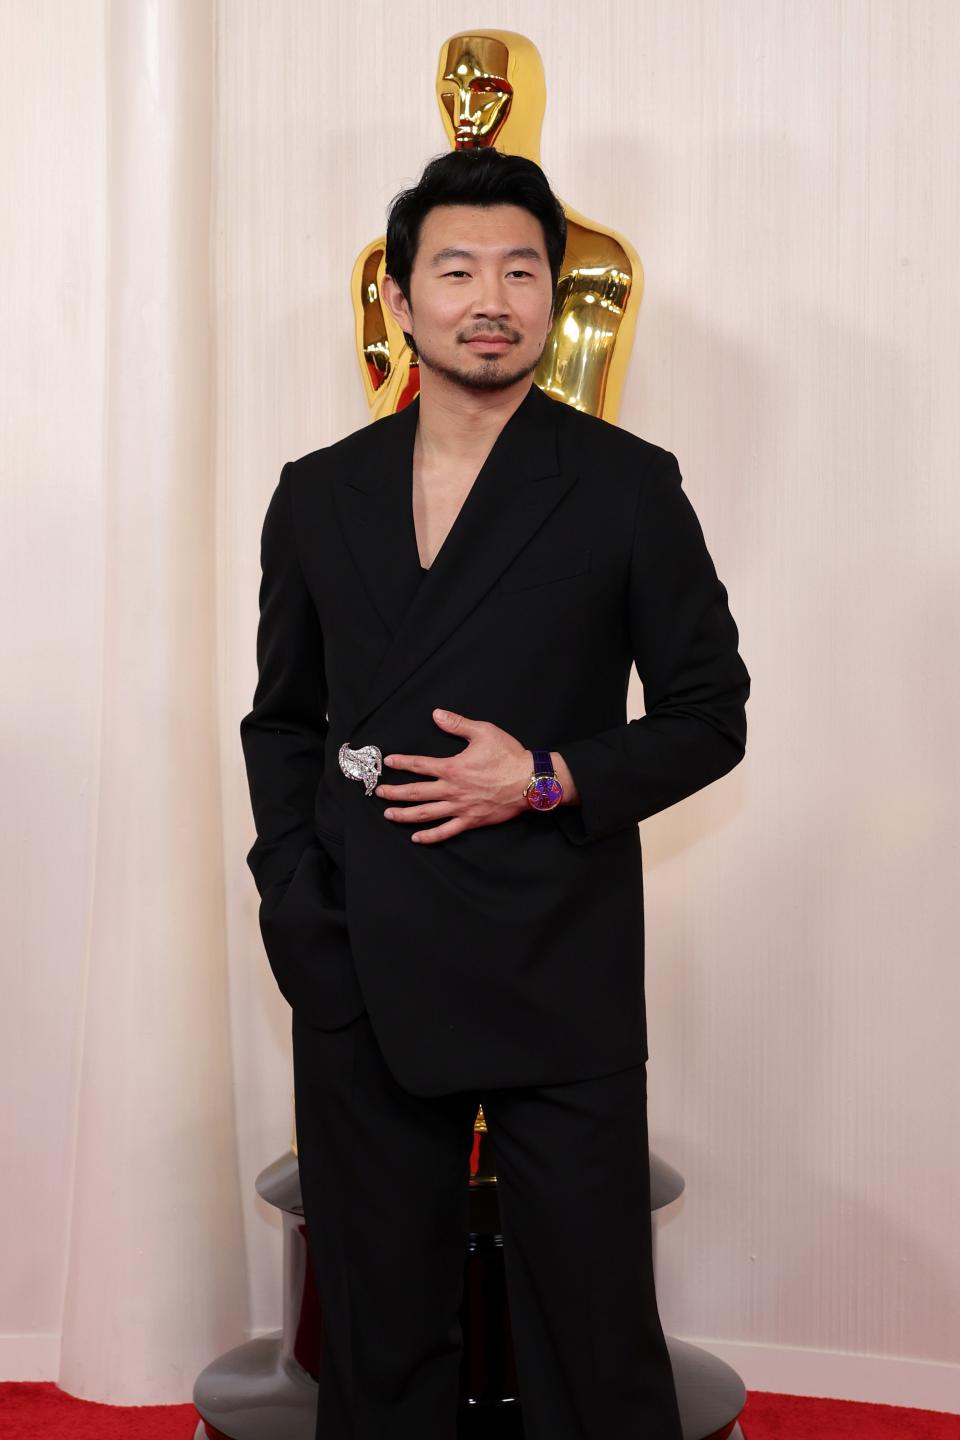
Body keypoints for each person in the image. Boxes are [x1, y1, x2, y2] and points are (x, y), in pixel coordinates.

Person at [240, 148, 750, 1440]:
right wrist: (300, 913)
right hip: (364, 969)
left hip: (556, 963)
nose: (492, 297)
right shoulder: (318, 497)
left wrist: (546, 775)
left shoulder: (628, 487)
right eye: (456, 268)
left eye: (522, 270)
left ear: (555, 299)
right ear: (399, 303)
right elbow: (282, 722)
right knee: (380, 1348)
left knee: (594, 1345)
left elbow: (710, 715)